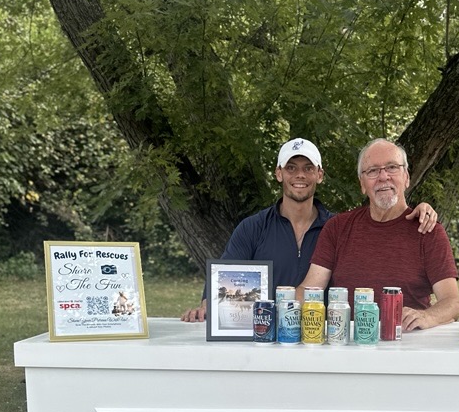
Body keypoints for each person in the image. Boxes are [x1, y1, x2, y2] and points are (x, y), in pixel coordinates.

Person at [181, 137, 438, 321]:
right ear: (279, 173)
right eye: (291, 168)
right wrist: (207, 308)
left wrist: (418, 208)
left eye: (308, 168)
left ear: (320, 175)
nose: (299, 175)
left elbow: (383, 232)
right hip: (266, 332)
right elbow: (225, 280)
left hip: (323, 339)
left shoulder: (338, 228)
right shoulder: (252, 228)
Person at [296, 138, 459, 332]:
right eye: (373, 171)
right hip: (349, 346)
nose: (383, 177)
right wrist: (278, 311)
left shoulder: (428, 231)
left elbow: (452, 303)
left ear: (406, 177)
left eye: (392, 167)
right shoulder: (337, 228)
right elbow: (309, 290)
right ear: (362, 184)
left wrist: (427, 316)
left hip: (407, 346)